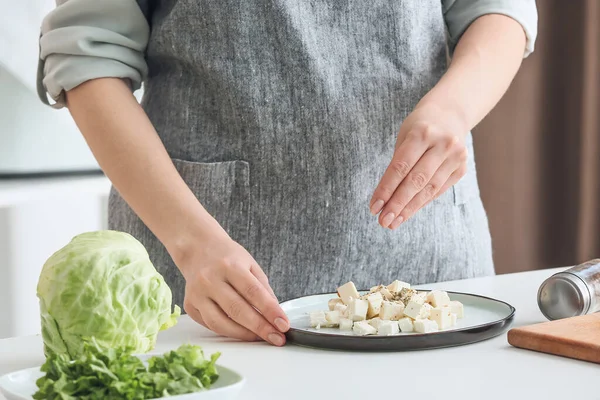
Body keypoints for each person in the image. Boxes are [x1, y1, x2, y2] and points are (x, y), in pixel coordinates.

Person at [37, 0, 537, 347]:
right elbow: (87, 56)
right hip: (209, 283)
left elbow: (499, 11)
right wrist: (191, 241)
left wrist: (454, 107)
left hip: (434, 276)